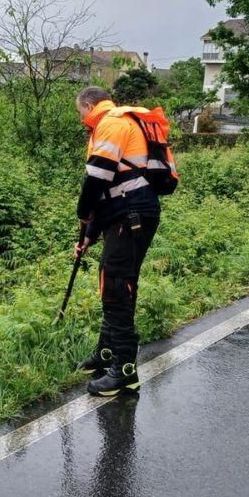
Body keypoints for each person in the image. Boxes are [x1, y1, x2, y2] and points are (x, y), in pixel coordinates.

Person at [73, 86, 176, 397]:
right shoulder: (117, 121)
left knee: (117, 283)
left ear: (88, 104)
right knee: (112, 280)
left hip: (131, 214)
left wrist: (82, 213)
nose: (82, 118)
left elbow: (97, 179)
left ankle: (124, 370)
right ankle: (106, 353)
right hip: (126, 212)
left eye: (80, 112)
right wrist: (89, 233)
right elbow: (110, 191)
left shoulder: (112, 123)